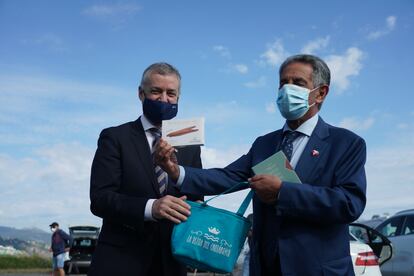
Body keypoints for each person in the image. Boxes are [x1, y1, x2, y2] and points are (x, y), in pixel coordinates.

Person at [155, 54, 367, 275]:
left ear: (321, 93)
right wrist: (175, 170)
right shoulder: (265, 144)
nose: (287, 89)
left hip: (317, 269)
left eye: (298, 83)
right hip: (266, 266)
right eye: (283, 83)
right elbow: (227, 177)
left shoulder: (346, 143)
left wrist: (282, 192)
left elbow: (349, 203)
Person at [88, 62, 203, 276]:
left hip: (171, 262)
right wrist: (152, 207)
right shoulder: (115, 138)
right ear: (141, 93)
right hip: (121, 262)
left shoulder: (190, 145)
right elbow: (100, 199)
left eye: (171, 93)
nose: (164, 99)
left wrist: (196, 209)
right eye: (156, 91)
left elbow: (197, 196)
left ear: (178, 98)